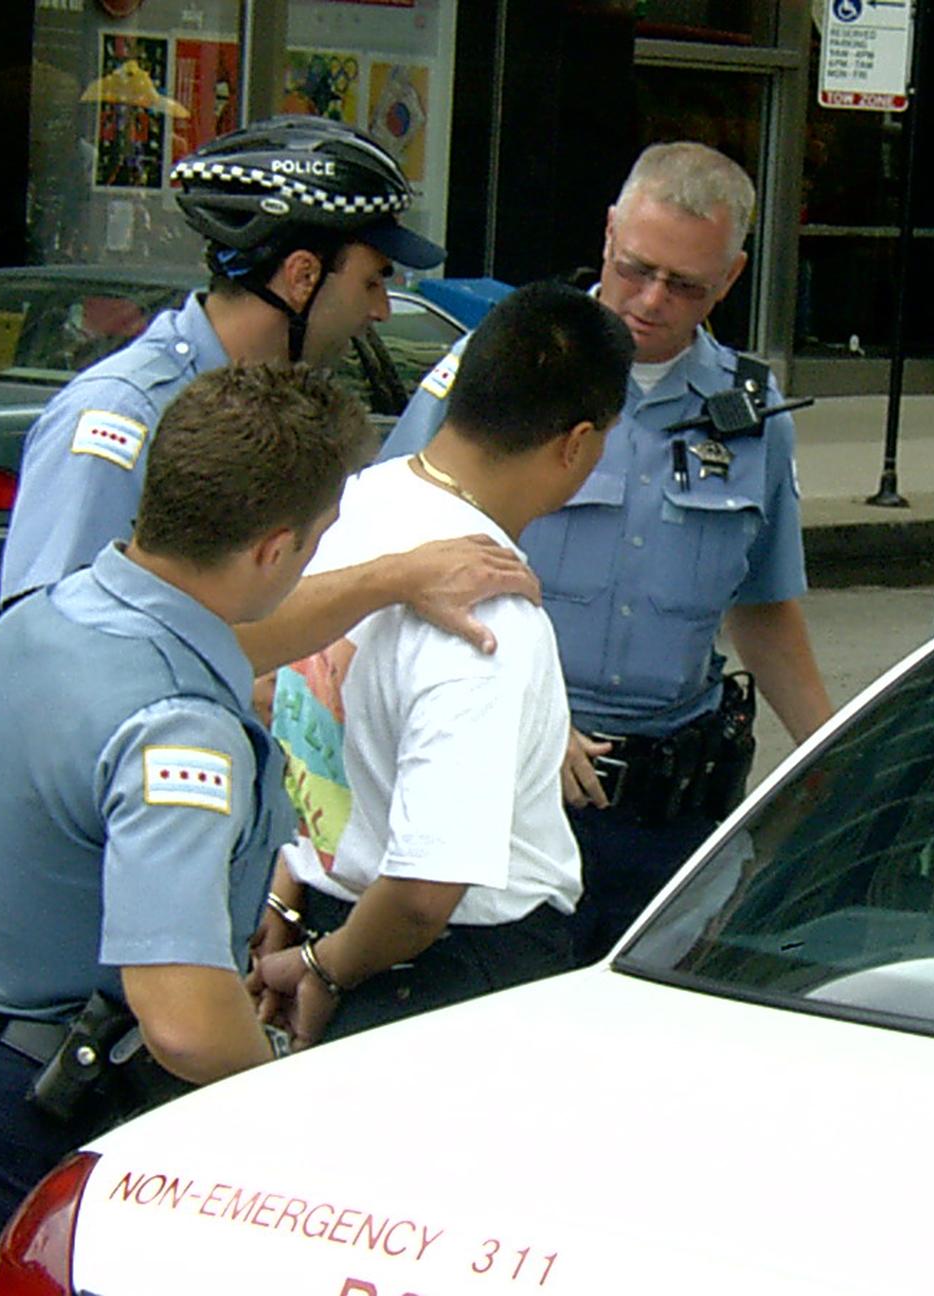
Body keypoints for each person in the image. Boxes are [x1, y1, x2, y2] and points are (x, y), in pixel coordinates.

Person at [0, 364, 368, 1296]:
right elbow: (183, 1019)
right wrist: (287, 1082)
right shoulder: (180, 725)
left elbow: (208, 639)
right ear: (273, 548)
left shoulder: (47, 621)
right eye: (315, 545)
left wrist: (386, 582)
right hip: (50, 1110)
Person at [379, 141, 836, 962]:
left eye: (685, 284)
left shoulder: (752, 413)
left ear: (729, 280)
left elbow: (765, 609)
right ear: (607, 237)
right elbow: (391, 547)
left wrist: (835, 764)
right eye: (636, 268)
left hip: (668, 812)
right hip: (516, 790)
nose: (651, 300)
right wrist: (535, 717)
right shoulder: (506, 369)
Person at [252, 282, 634, 1046]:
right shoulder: (484, 609)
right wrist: (327, 972)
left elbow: (292, 714)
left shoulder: (352, 507)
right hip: (445, 971)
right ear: (577, 444)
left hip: (338, 916)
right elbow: (428, 893)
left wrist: (296, 900)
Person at [0, 113, 447, 610]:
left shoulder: (287, 411)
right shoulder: (124, 414)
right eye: (372, 282)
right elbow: (57, 633)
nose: (382, 310)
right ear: (302, 276)